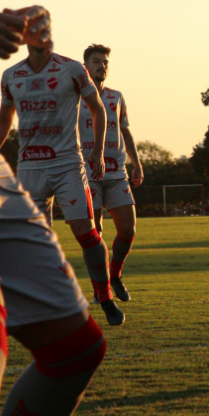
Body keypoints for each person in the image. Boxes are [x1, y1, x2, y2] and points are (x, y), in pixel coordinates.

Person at [0, 7, 107, 416]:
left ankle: (107, 292)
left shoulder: (69, 70)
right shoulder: (14, 77)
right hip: (20, 164)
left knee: (75, 347)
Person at [0, 36, 126, 326]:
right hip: (30, 168)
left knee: (86, 233)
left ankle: (104, 297)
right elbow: (4, 120)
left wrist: (97, 152)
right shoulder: (11, 75)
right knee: (36, 242)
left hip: (68, 164)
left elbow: (97, 109)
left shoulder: (72, 69)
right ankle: (47, 304)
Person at [80, 44, 143, 302]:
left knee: (128, 230)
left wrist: (136, 162)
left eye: (105, 62)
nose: (102, 66)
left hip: (117, 172)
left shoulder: (116, 97)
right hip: (87, 174)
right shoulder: (74, 97)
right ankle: (100, 289)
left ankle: (115, 275)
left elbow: (125, 131)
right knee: (95, 236)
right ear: (85, 66)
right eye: (96, 61)